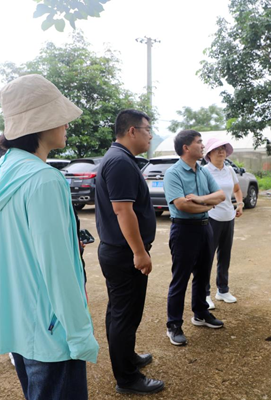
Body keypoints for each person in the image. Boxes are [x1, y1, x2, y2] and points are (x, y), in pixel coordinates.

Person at [0, 74, 99, 400]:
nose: (66, 124)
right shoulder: (45, 179)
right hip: (50, 329)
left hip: (16, 320)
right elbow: (58, 269)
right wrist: (80, 334)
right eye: (59, 117)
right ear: (41, 124)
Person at [95, 109, 164, 395]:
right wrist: (139, 252)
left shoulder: (119, 159)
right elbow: (123, 210)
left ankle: (126, 357)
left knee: (121, 312)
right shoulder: (120, 162)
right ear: (132, 131)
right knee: (125, 314)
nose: (151, 135)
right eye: (148, 129)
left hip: (117, 250)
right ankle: (127, 378)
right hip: (124, 253)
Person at [163, 130, 226, 346]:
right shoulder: (173, 173)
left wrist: (200, 199)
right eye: (199, 143)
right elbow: (181, 205)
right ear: (186, 148)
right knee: (180, 278)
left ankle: (200, 314)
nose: (203, 146)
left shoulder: (202, 171)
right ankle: (173, 325)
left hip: (204, 227)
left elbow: (221, 195)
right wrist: (208, 204)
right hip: (183, 230)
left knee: (202, 274)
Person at [202, 138, 244, 309]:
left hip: (229, 217)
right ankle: (204, 294)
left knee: (225, 256)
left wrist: (239, 203)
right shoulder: (204, 171)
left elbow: (236, 189)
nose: (221, 151)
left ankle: (223, 290)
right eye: (217, 149)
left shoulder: (229, 170)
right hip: (211, 217)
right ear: (209, 154)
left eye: (223, 149)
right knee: (207, 257)